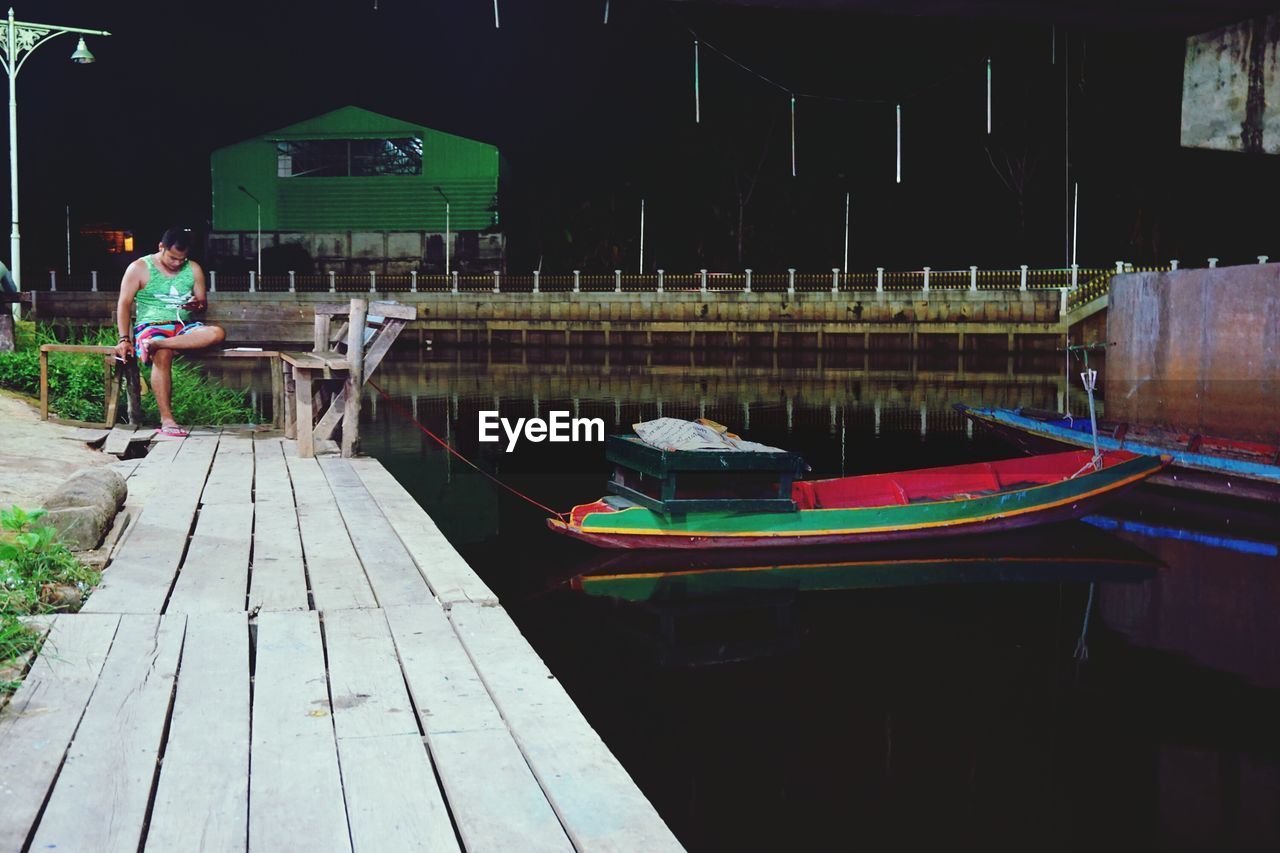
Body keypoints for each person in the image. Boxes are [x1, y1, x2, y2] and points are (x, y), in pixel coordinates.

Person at [113, 226, 225, 436]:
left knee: (217, 333)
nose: (177, 263)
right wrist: (124, 339)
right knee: (162, 355)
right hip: (151, 327)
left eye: (181, 259)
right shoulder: (139, 268)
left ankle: (158, 345)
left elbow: (202, 303)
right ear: (161, 247)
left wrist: (196, 304)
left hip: (183, 328)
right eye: (172, 258)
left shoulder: (193, 269)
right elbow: (124, 303)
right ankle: (167, 421)